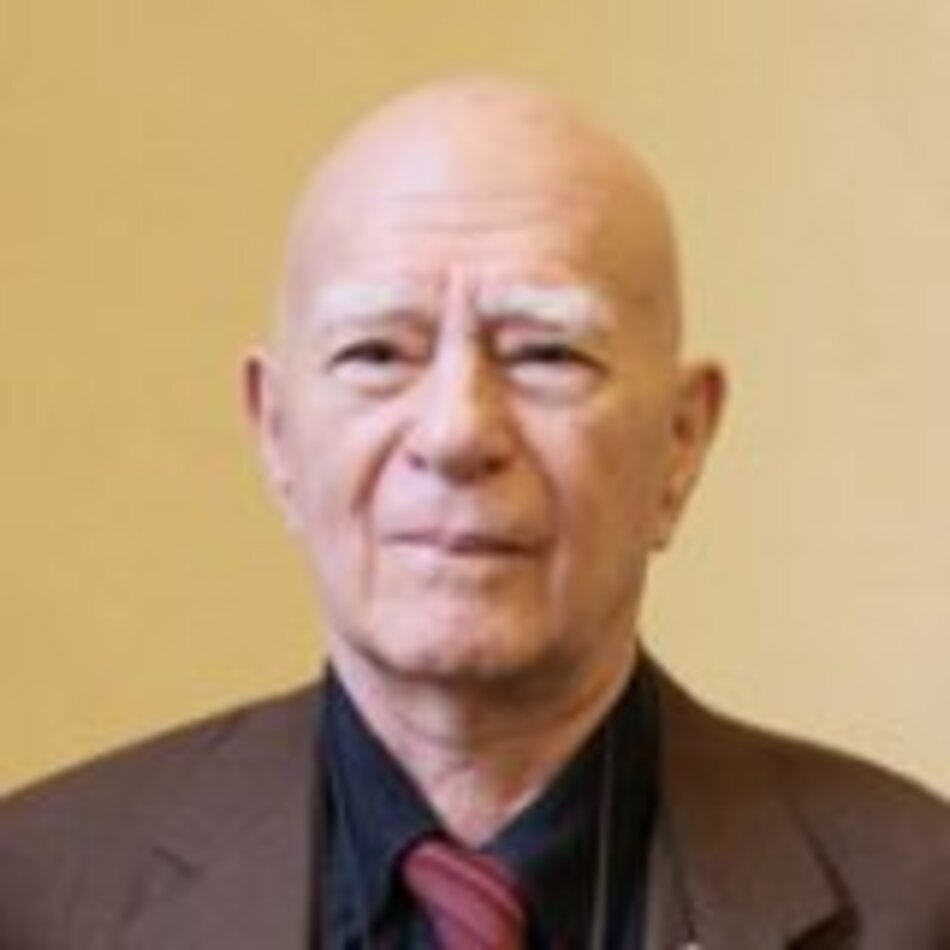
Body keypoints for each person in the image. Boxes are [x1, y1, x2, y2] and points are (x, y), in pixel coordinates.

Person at [0, 76, 947, 950]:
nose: (456, 433)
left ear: (681, 441)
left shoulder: (919, 898)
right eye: (378, 353)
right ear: (278, 433)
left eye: (547, 353)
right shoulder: (35, 894)